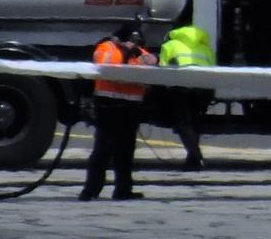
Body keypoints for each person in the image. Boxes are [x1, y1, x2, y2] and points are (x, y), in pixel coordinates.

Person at [81, 22, 157, 201]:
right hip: (109, 104)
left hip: (130, 105)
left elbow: (151, 64)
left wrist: (154, 58)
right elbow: (108, 66)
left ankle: (123, 189)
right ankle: (91, 190)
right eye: (133, 40)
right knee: (103, 148)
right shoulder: (106, 47)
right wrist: (126, 52)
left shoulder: (137, 51)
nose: (137, 44)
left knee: (126, 150)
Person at [156, 22, 214, 171]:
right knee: (194, 123)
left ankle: (197, 156)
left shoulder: (170, 46)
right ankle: (193, 159)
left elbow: (163, 69)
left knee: (182, 124)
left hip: (180, 88)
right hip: (201, 89)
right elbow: (213, 70)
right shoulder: (205, 48)